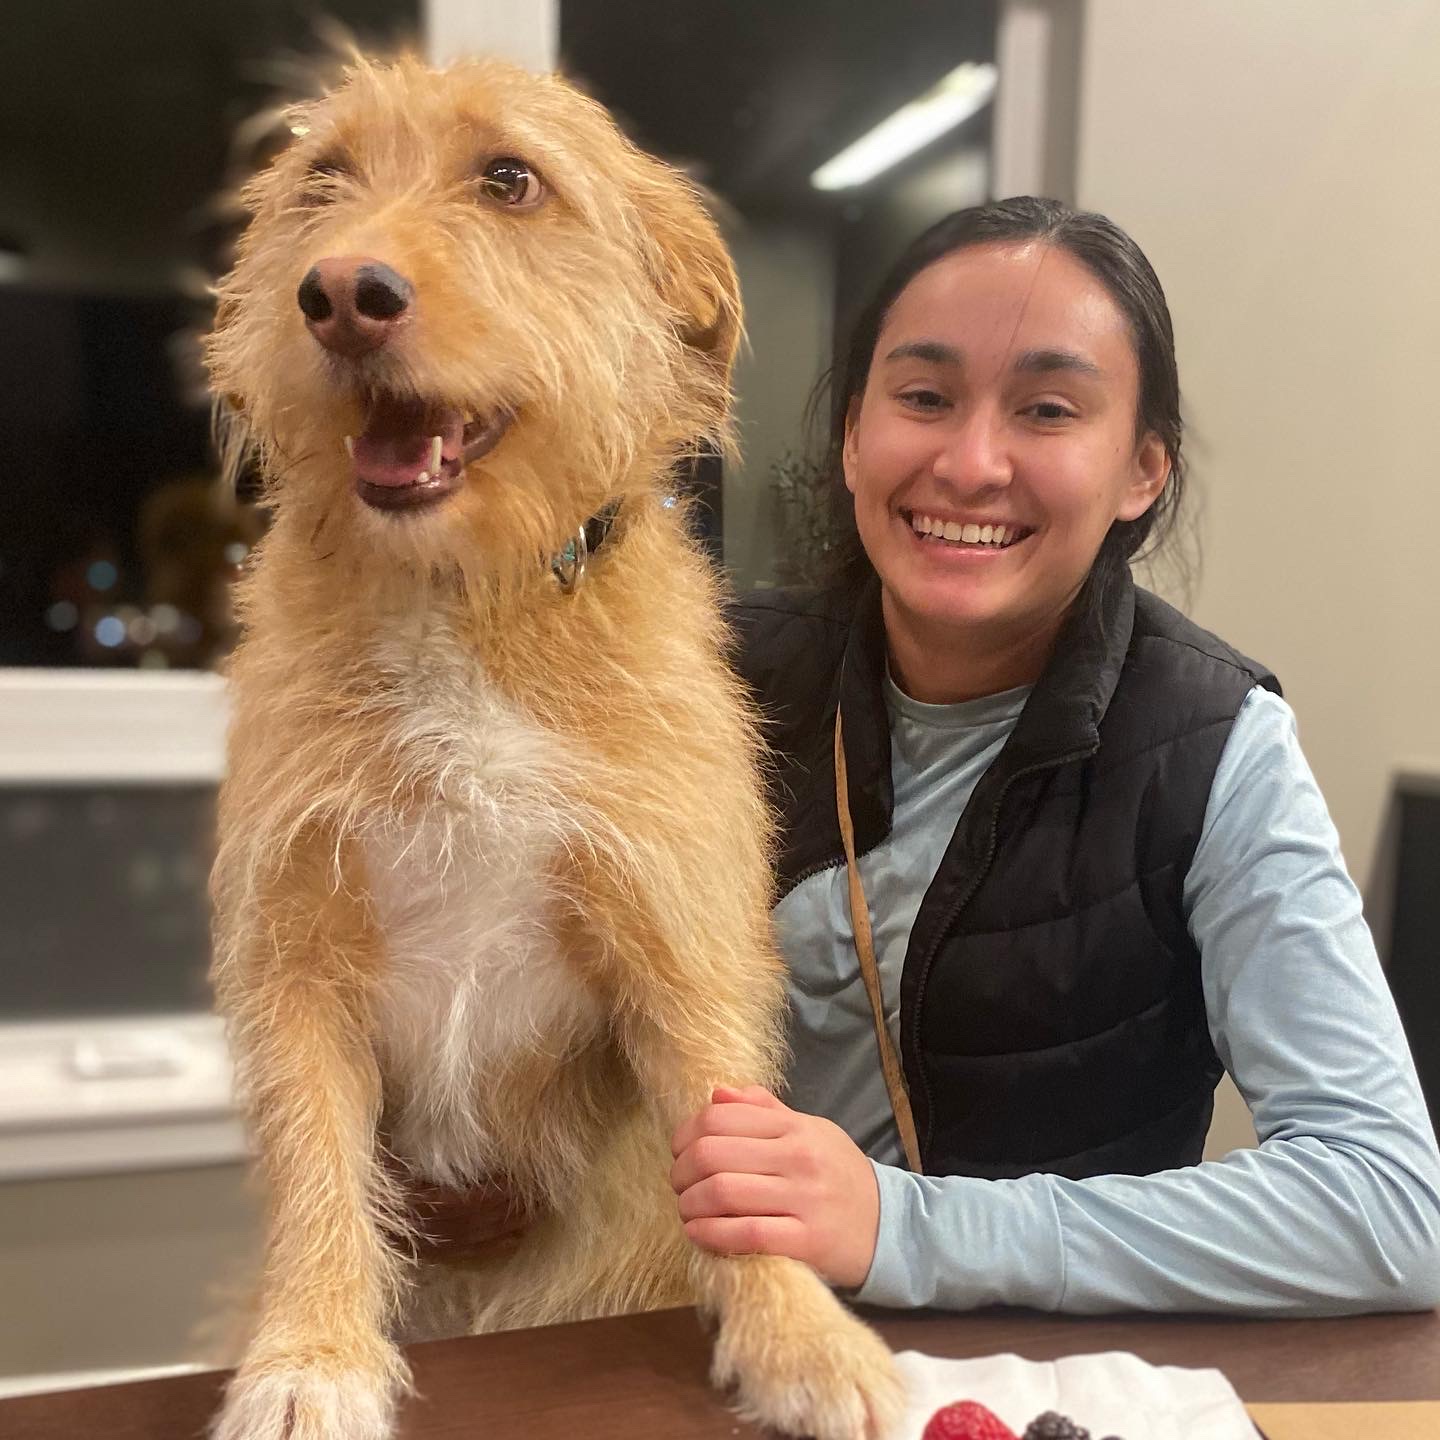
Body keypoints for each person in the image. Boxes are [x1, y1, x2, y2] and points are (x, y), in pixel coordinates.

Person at [415, 197, 1440, 1315]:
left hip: (1024, 1383)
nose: (972, 462)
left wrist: (906, 1226)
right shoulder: (701, 674)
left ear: (1142, 470)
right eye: (924, 398)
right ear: (854, 437)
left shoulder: (1212, 743)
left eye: (1047, 410)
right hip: (676, 1343)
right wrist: (436, 1155)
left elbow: (1388, 1207)